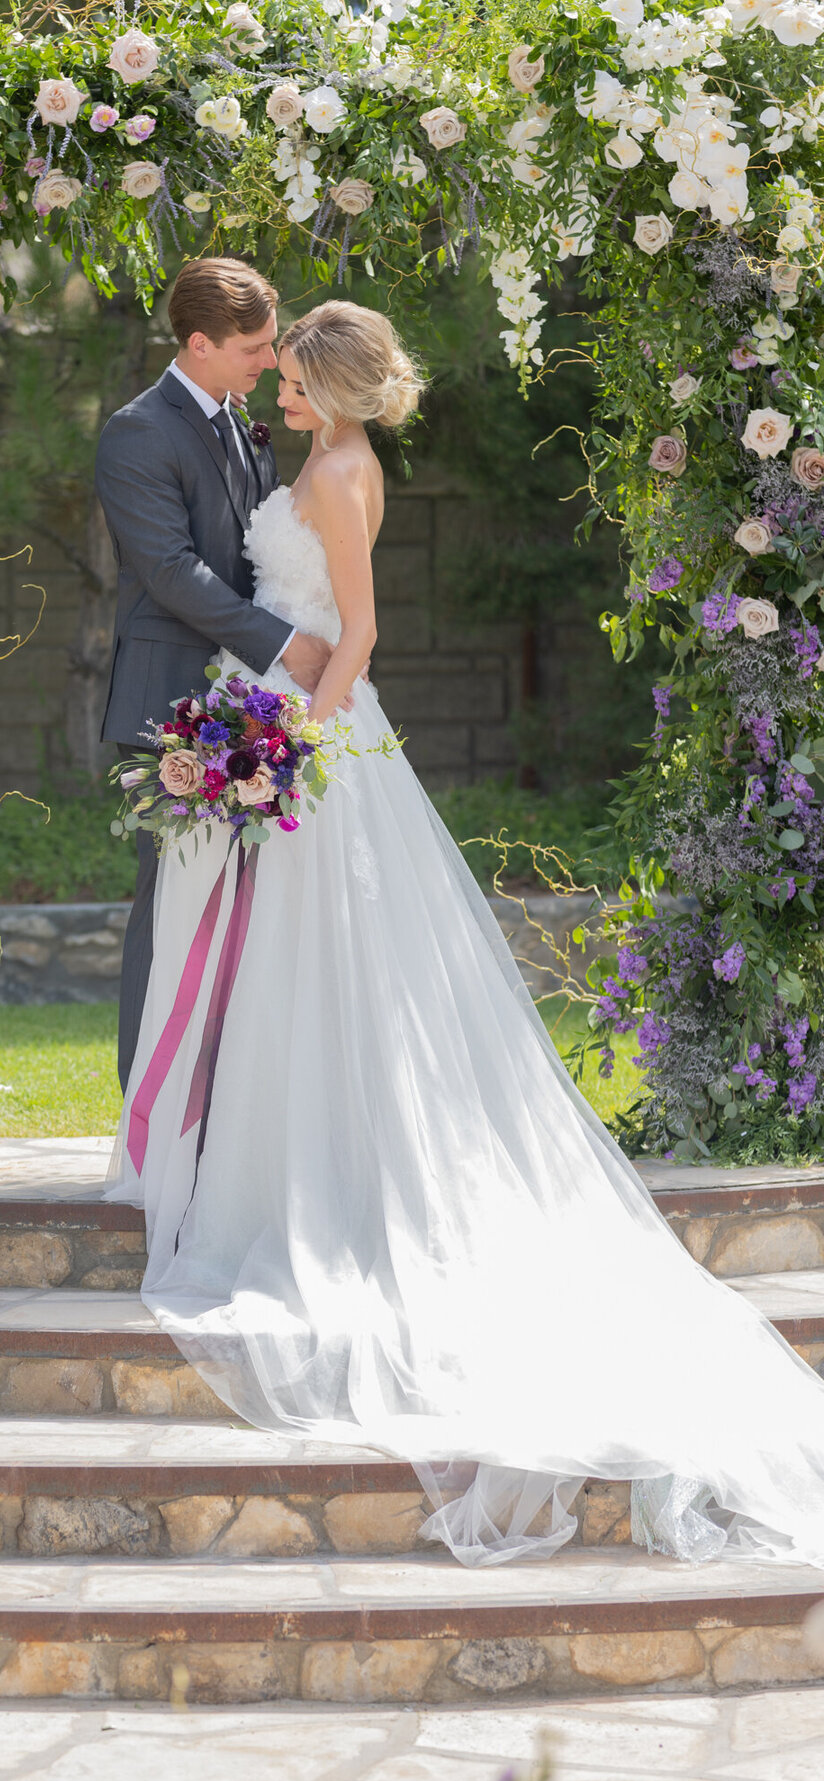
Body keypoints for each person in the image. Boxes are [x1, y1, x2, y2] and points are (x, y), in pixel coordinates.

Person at [105, 297, 824, 1571]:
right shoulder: (329, 458)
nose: (274, 390)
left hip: (316, 740)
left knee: (327, 973)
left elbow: (361, 631)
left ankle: (315, 1179)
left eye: (290, 377)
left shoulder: (334, 470)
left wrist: (293, 751)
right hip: (295, 724)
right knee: (302, 979)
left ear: (326, 386)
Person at [96, 258, 334, 1091]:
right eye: (254, 348)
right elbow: (172, 572)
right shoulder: (138, 433)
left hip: (248, 705)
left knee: (247, 921)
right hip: (171, 707)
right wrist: (285, 645)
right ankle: (148, 1122)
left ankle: (228, 1110)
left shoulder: (240, 421)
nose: (270, 363)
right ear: (199, 344)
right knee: (170, 914)